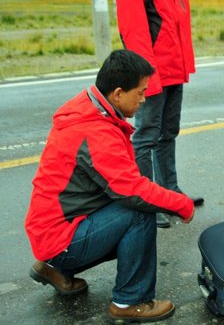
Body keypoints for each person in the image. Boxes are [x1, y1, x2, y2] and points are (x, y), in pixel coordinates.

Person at [24, 49, 195, 323]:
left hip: (53, 228)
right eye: (139, 92)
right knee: (139, 211)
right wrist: (180, 203)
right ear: (117, 93)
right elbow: (131, 190)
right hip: (59, 237)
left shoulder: (89, 107)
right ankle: (129, 301)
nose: (143, 98)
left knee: (131, 204)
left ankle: (54, 269)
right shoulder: (95, 131)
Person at [115, 0, 204, 229]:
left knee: (169, 132)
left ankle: (170, 191)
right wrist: (146, 76)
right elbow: (134, 30)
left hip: (174, 66)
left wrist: (184, 64)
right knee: (146, 137)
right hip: (153, 71)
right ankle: (148, 202)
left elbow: (175, 23)